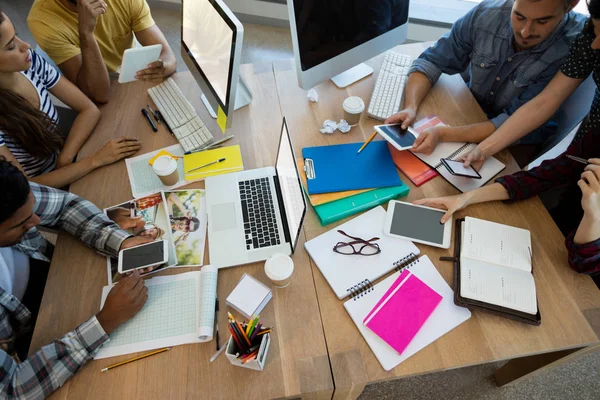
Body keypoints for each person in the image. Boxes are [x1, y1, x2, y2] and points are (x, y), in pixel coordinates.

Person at [0, 157, 153, 397]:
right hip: (32, 339)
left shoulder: (8, 194)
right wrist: (105, 321)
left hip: (55, 283)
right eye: (21, 224)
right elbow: (11, 389)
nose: (37, 221)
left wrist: (121, 241)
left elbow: (64, 206)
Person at [385, 0, 586, 160]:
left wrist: (443, 134)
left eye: (542, 21)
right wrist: (410, 107)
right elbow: (432, 60)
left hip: (518, 139)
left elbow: (512, 122)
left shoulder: (574, 46)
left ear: (571, 5)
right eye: (519, 16)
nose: (525, 32)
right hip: (470, 111)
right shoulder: (486, 13)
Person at [415, 126, 600, 288]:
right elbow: (542, 176)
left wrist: (594, 215)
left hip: (579, 282)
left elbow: (583, 264)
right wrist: (466, 197)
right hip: (553, 234)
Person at [0, 9, 141, 189]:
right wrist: (95, 160)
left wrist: (65, 159)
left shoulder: (29, 62)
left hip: (64, 161)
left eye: (17, 35)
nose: (26, 45)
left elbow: (89, 109)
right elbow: (27, 188)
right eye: (11, 46)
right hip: (42, 192)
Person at [461, 0, 600, 170]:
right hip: (591, 141)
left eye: (542, 21)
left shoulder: (567, 41)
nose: (595, 45)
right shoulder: (589, 38)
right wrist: (484, 149)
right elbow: (546, 101)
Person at [28, 0, 177, 103]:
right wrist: (86, 32)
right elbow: (99, 94)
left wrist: (164, 66)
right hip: (94, 81)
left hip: (129, 71)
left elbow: (167, 55)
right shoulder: (42, 19)